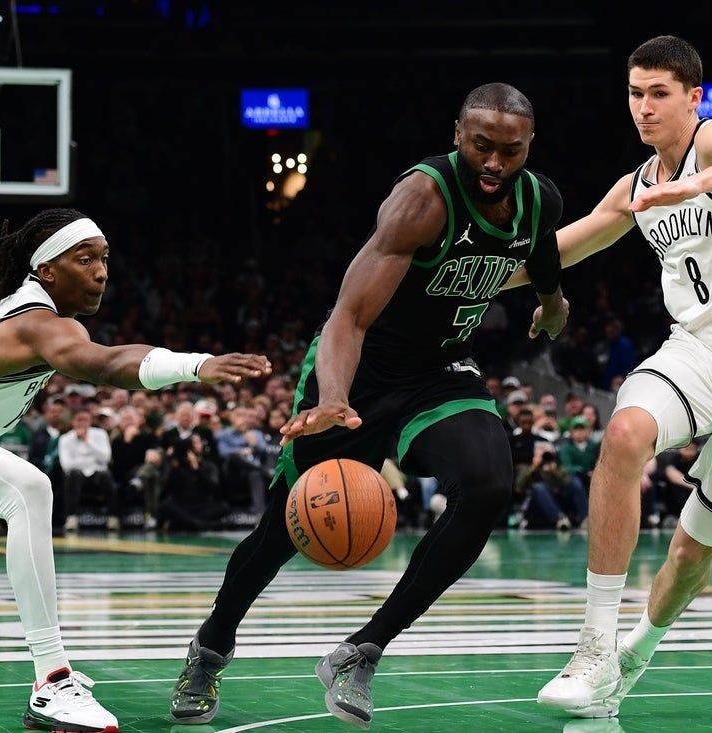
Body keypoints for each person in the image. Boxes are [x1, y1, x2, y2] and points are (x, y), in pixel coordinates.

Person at [169, 83, 569, 727]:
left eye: (511, 150)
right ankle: (211, 647)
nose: (494, 163)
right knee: (281, 532)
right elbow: (349, 318)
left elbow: (540, 244)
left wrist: (552, 301)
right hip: (361, 373)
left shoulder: (538, 198)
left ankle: (363, 649)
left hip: (440, 373)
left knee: (489, 486)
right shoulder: (423, 200)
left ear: (529, 146)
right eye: (481, 146)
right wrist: (332, 399)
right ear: (457, 135)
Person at [0, 209, 269, 733]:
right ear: (47, 271)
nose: (101, 271)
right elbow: (106, 364)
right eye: (85, 259)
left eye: (104, 258)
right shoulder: (37, 323)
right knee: (27, 488)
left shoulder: (12, 304)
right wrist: (194, 365)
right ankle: (52, 680)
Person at [509, 36, 712, 718]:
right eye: (635, 93)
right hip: (698, 350)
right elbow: (564, 246)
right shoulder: (636, 186)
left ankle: (635, 652)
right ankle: (593, 645)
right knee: (625, 432)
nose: (644, 107)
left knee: (689, 553)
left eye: (659, 93)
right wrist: (465, 278)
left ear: (692, 97)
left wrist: (694, 184)